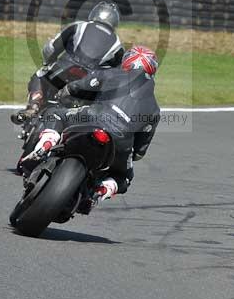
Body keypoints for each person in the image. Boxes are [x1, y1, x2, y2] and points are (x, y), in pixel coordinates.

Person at [21, 46, 160, 209]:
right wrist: (129, 151)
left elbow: (76, 88)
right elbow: (139, 152)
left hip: (93, 117)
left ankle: (48, 142)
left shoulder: (110, 73)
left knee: (54, 113)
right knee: (125, 177)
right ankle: (101, 191)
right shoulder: (154, 108)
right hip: (122, 141)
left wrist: (64, 95)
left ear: (126, 62)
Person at [11, 0, 124, 124]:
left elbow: (51, 48)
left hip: (65, 67)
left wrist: (48, 63)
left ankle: (34, 106)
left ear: (94, 14)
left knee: (40, 75)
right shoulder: (118, 44)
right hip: (90, 82)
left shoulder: (79, 25)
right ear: (115, 22)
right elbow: (116, 76)